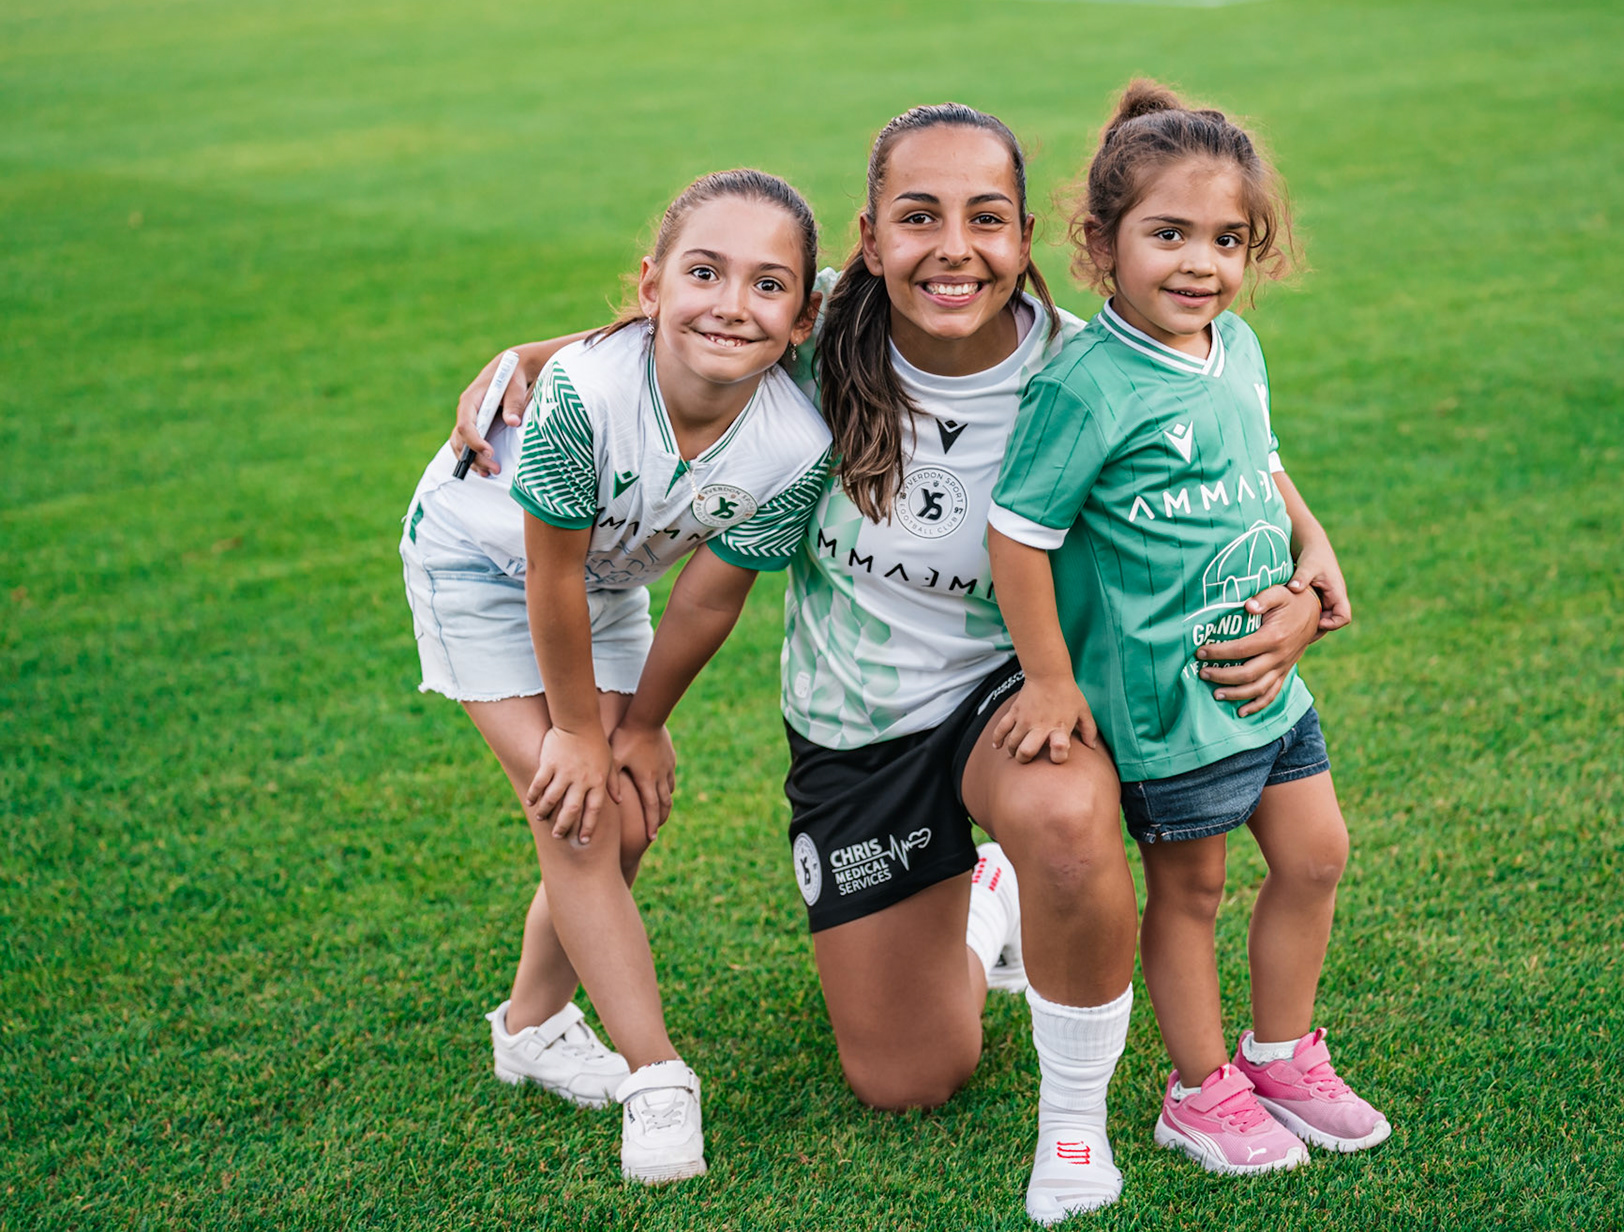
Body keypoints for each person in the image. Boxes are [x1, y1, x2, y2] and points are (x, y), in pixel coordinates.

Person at [452, 106, 1325, 1224]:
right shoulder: (811, 352)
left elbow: (1224, 438)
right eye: (920, 218)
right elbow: (696, 323)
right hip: (857, 723)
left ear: (1025, 241)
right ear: (869, 237)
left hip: (1015, 690)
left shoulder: (1083, 365)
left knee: (1063, 814)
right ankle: (979, 905)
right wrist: (542, 356)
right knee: (907, 1077)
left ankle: (1077, 1124)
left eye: (987, 219)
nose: (953, 248)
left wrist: (1307, 564)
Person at [986, 80, 1390, 1179]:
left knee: (1317, 855)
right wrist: (1051, 680)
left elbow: (1256, 457)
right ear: (1101, 242)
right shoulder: (1087, 388)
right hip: (1171, 705)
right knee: (1194, 890)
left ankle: (1282, 1050)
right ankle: (1198, 1087)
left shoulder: (1236, 348)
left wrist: (1312, 541)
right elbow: (1017, 536)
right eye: (1168, 235)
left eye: (1228, 239)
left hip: (1269, 683)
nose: (1200, 264)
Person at [403, 169, 834, 1184]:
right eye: (704, 272)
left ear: (802, 317)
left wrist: (638, 726)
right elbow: (545, 569)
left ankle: (534, 1023)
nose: (732, 303)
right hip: (482, 566)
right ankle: (655, 1073)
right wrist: (578, 731)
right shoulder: (582, 392)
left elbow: (706, 600)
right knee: (582, 811)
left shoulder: (795, 443)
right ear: (650, 287)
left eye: (767, 285)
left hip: (603, 584)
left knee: (628, 805)